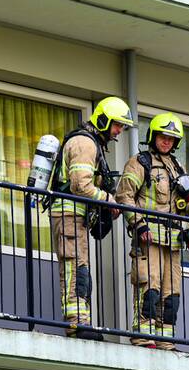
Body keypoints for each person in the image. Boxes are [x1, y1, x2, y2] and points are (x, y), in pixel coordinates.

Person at [116, 112, 189, 349]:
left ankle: (165, 340)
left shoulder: (178, 168)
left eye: (171, 138)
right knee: (149, 287)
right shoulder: (139, 162)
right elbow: (124, 195)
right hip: (148, 238)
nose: (166, 141)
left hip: (173, 240)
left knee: (172, 293)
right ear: (153, 136)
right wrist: (138, 223)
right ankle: (144, 337)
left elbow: (186, 202)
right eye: (162, 136)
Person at [49, 96, 133, 338]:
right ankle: (77, 325)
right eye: (117, 125)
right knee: (75, 269)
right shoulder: (85, 144)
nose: (118, 131)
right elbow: (80, 185)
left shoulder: (91, 143)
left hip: (76, 217)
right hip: (68, 215)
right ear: (104, 120)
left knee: (80, 269)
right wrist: (109, 201)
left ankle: (81, 322)